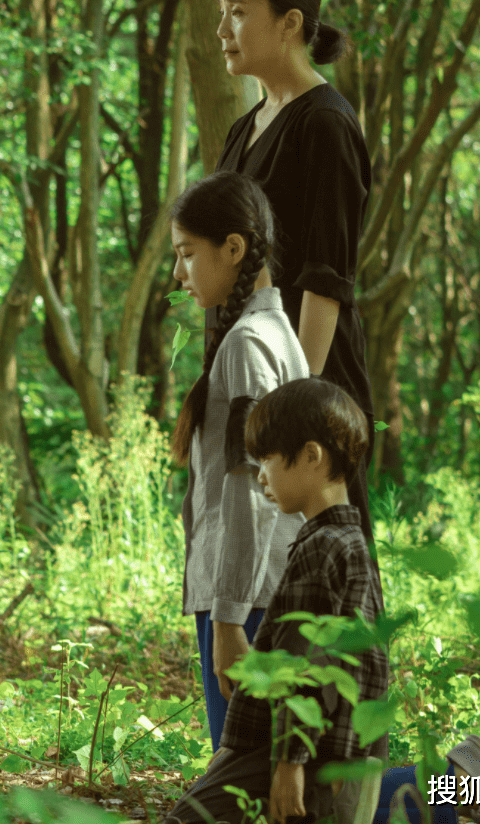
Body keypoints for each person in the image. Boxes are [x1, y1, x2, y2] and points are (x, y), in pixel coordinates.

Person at [166, 379, 480, 824]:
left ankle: (456, 787)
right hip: (328, 745)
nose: (260, 474)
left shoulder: (322, 550)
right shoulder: (343, 542)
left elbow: (306, 666)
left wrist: (290, 763)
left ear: (311, 456)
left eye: (267, 459)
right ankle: (457, 780)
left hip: (307, 747)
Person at [210, 0, 380, 554]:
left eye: (238, 11)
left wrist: (297, 400)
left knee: (327, 566)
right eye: (221, 11)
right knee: (250, 568)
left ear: (291, 22)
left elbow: (326, 279)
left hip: (310, 379)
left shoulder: (326, 125)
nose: (224, 28)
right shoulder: (245, 127)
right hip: (246, 370)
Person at [169, 171, 310, 752]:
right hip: (253, 591)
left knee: (253, 784)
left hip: (250, 599)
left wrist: (228, 619)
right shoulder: (266, 334)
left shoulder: (250, 345)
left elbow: (253, 487)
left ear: (232, 248)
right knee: (282, 785)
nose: (179, 274)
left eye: (187, 254)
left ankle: (461, 792)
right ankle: (467, 791)